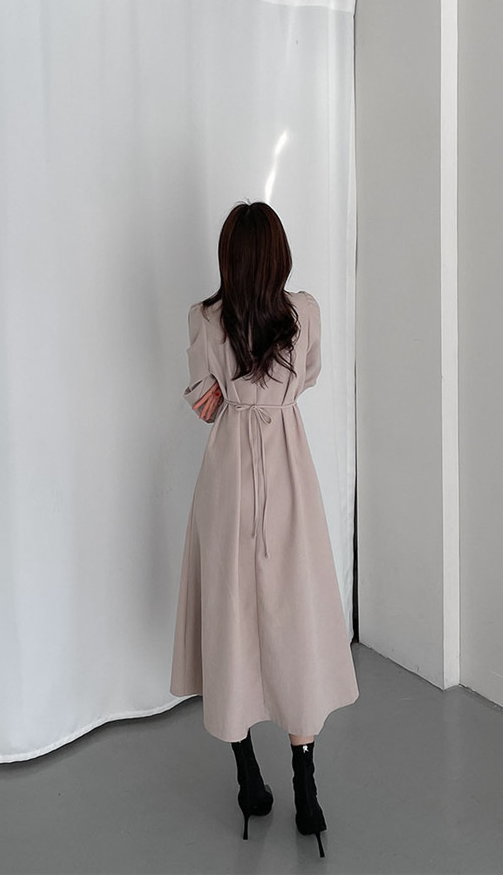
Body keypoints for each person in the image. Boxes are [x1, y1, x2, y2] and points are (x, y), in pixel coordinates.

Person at [170, 201, 359, 858]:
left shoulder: (205, 318)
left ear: (228, 257)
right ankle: (306, 784)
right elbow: (307, 379)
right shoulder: (303, 313)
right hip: (287, 471)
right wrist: (269, 394)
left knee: (233, 617)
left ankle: (247, 774)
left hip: (228, 480)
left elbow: (204, 404)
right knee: (294, 617)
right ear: (278, 255)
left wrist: (233, 390)